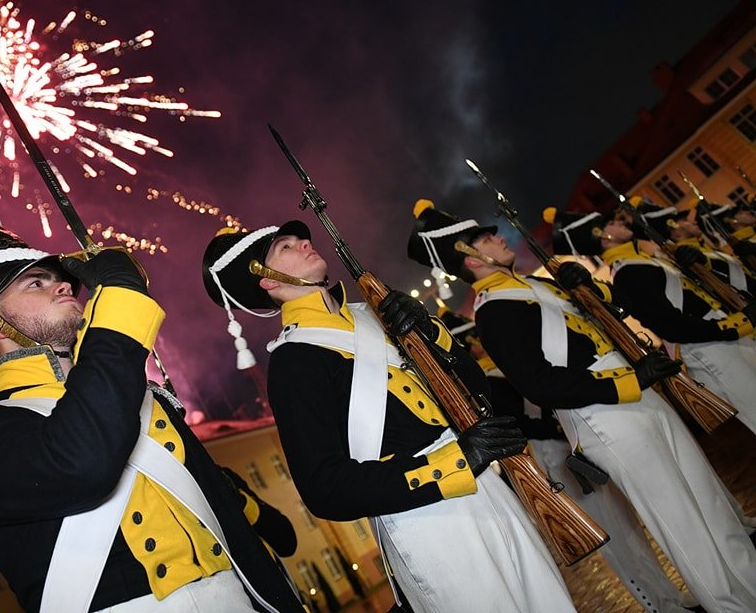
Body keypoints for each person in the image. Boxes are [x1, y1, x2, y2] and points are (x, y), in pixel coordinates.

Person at [0, 211, 303, 613]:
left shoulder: (144, 397)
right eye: (35, 282)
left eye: (59, 278)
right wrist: (120, 297)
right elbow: (83, 462)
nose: (65, 285)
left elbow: (248, 527)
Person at [201, 222, 577, 613]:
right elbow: (324, 488)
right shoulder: (293, 360)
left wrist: (430, 329)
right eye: (286, 247)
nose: (305, 244)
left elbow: (474, 387)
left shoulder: (373, 315)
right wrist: (456, 461)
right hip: (427, 520)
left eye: (301, 239)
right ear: (266, 281)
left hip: (488, 485)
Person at [405, 201, 756, 613]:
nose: (499, 238)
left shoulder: (540, 287)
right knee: (683, 523)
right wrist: (628, 381)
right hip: (602, 412)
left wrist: (589, 286)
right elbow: (539, 383)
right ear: (469, 255)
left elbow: (611, 313)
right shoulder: (494, 312)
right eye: (487, 238)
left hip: (637, 391)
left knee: (709, 500)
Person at [599, 201, 756, 435]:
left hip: (726, 333)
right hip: (708, 344)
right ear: (603, 237)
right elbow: (669, 325)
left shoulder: (646, 261)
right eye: (614, 222)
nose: (623, 223)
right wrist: (732, 326)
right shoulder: (626, 273)